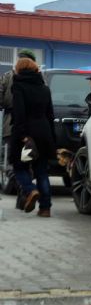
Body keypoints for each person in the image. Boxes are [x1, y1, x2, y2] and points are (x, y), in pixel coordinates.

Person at [10, 56, 56, 217]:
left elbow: (19, 113)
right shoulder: (45, 88)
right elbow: (50, 114)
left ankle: (30, 190)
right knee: (42, 171)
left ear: (19, 69)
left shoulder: (18, 86)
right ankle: (45, 208)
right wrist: (52, 138)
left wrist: (22, 135)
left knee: (19, 166)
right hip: (44, 132)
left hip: (26, 132)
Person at [0, 49, 37, 202]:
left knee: (11, 161)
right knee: (27, 161)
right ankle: (25, 197)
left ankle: (28, 189)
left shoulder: (9, 76)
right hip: (33, 127)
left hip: (11, 125)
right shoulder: (39, 78)